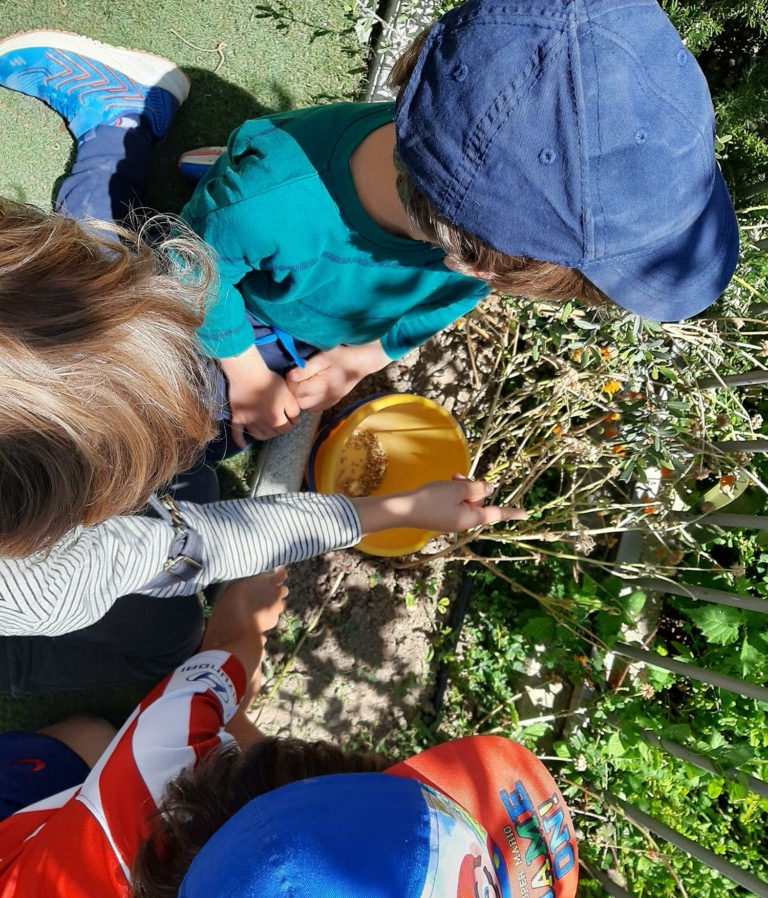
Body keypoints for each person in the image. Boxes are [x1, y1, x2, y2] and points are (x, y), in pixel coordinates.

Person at [0, 32, 524, 695]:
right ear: (85, 513)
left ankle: (146, 156)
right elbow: (212, 541)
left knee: (125, 273)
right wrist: (245, 377)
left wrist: (339, 363)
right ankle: (137, 151)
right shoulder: (65, 579)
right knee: (164, 638)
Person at [0, 571, 578, 898]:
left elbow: (227, 649)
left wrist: (242, 617)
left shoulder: (157, 764)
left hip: (20, 890)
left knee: (88, 738)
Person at [177, 0, 739, 441]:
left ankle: (228, 185)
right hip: (250, 282)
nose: (488, 287)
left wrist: (361, 357)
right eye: (501, 279)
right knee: (201, 410)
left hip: (304, 289)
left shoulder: (476, 231)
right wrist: (245, 372)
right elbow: (187, 267)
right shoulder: (274, 207)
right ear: (464, 252)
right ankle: (224, 167)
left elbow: (450, 298)